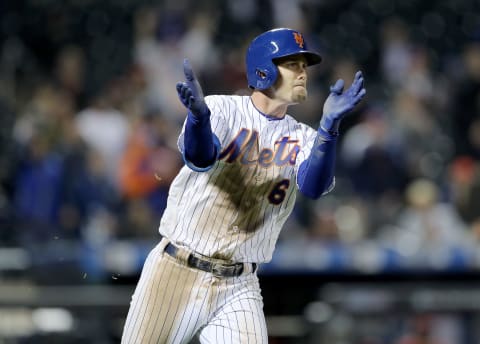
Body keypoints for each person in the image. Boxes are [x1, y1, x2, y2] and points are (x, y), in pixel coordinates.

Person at [121, 27, 366, 344]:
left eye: (305, 66)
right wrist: (198, 119)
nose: (302, 73)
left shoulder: (305, 136)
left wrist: (329, 129)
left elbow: (313, 187)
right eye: (292, 64)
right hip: (177, 269)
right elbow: (200, 156)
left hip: (240, 285)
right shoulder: (222, 109)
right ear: (264, 69)